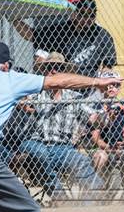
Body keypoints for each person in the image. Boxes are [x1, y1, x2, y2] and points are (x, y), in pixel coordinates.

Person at [0, 42, 123, 212]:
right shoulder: (9, 78)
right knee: (26, 209)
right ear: (5, 65)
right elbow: (60, 81)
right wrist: (97, 81)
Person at [18, 52, 110, 202]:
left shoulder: (74, 97)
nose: (53, 71)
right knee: (39, 152)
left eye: (58, 67)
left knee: (80, 160)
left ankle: (92, 201)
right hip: (35, 143)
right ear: (44, 71)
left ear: (65, 72)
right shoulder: (37, 94)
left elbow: (93, 118)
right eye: (49, 67)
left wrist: (103, 117)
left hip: (62, 147)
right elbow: (23, 103)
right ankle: (60, 197)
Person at [13, 0, 117, 78]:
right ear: (74, 14)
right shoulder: (62, 30)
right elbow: (31, 35)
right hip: (65, 82)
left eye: (91, 15)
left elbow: (108, 65)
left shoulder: (102, 35)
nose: (87, 19)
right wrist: (14, 18)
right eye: (83, 14)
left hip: (89, 83)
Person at [89, 70, 124, 201]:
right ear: (102, 85)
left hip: (120, 148)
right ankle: (92, 194)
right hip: (102, 148)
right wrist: (109, 148)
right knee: (101, 157)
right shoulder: (95, 106)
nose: (113, 88)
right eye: (110, 84)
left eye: (117, 85)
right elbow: (94, 137)